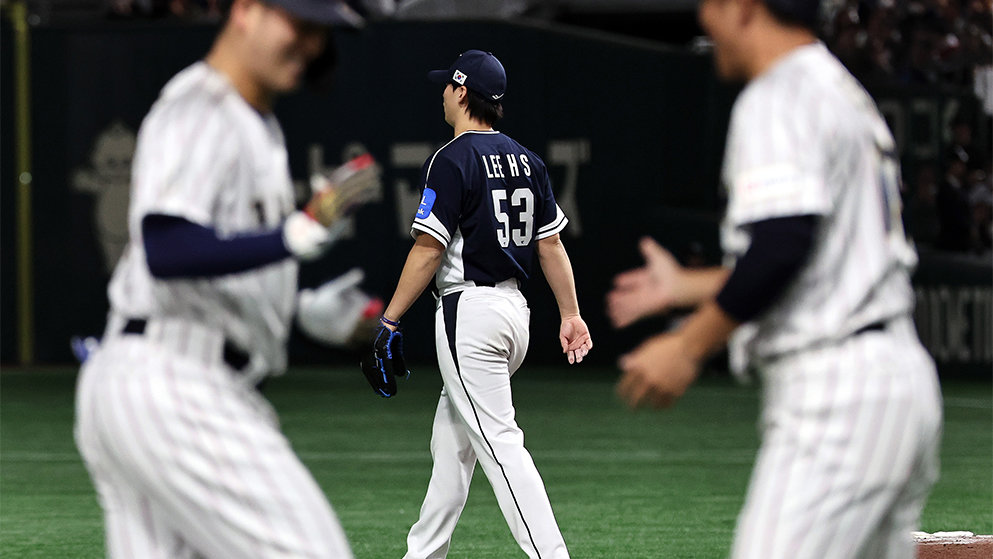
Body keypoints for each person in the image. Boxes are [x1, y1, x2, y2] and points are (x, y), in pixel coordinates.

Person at [606, 1, 943, 558]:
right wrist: (687, 288)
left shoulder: (778, 96)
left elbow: (783, 245)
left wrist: (689, 346)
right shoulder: (836, 89)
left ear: (743, 8)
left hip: (839, 394)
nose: (704, 20)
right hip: (894, 380)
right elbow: (820, 256)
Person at [73, 1, 376, 557]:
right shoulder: (203, 107)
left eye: (321, 32)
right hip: (172, 383)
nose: (312, 45)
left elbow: (209, 261)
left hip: (158, 375)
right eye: (301, 24)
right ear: (245, 11)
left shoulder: (253, 124)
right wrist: (291, 236)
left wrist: (301, 312)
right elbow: (165, 247)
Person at [376, 50, 592, 559]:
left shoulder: (452, 159)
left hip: (468, 315)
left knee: (500, 444)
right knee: (452, 447)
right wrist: (570, 313)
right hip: (515, 315)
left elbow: (429, 249)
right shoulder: (528, 159)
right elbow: (551, 245)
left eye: (447, 87)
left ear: (462, 92)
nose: (443, 94)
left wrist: (389, 319)